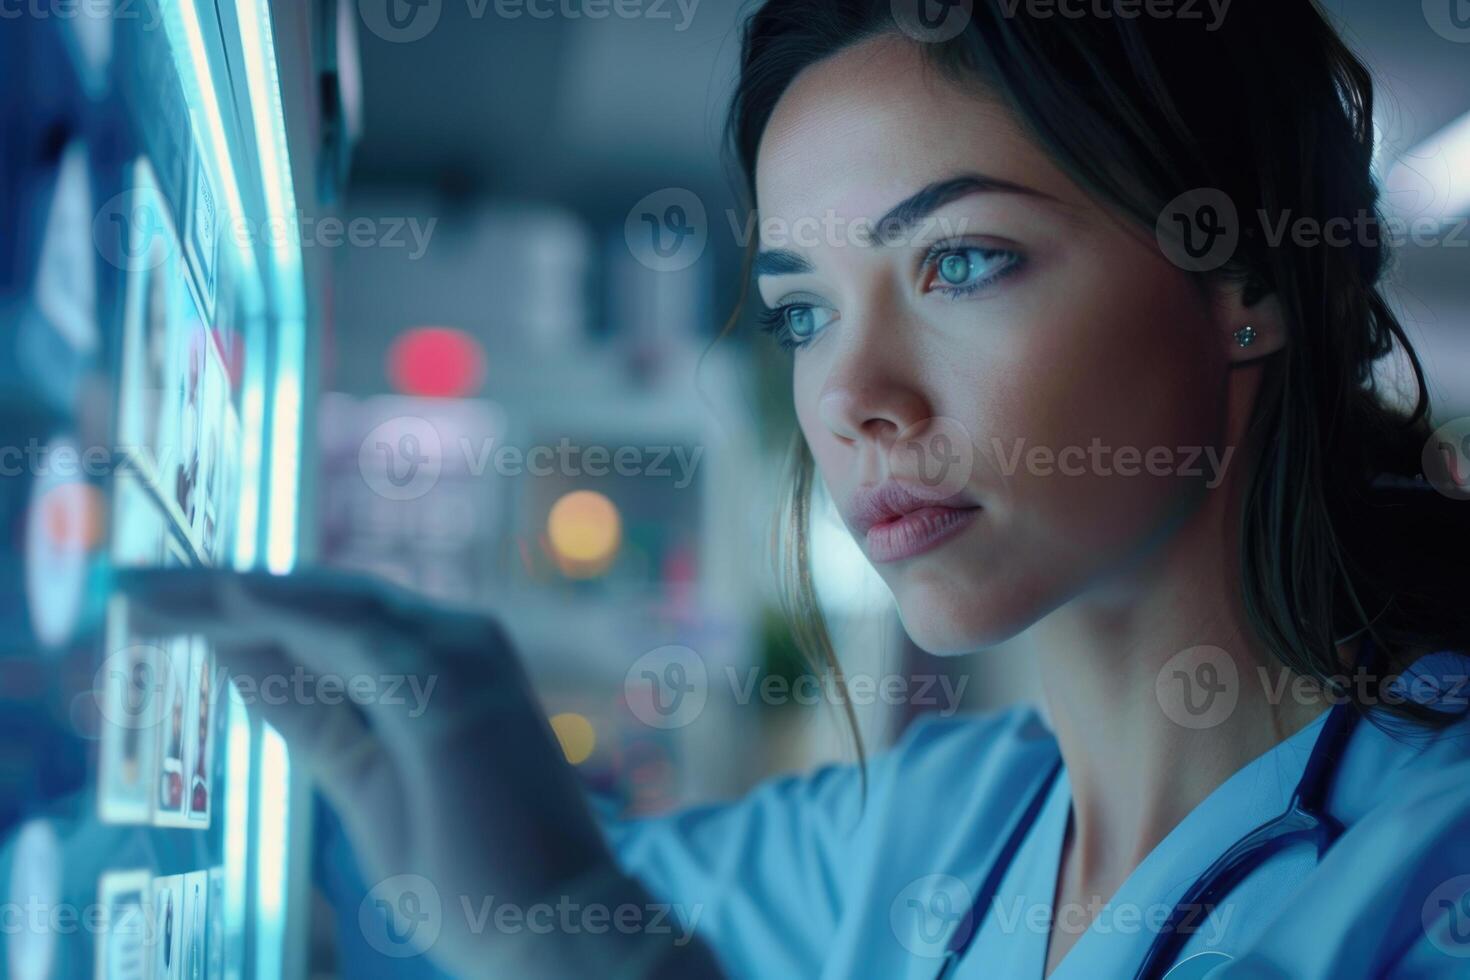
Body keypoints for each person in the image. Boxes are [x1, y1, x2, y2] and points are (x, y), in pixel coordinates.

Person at [123, 1, 1470, 977]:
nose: (850, 397)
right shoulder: (938, 818)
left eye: (958, 264)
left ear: (1243, 286)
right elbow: (496, 918)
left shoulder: (1427, 865)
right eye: (799, 315)